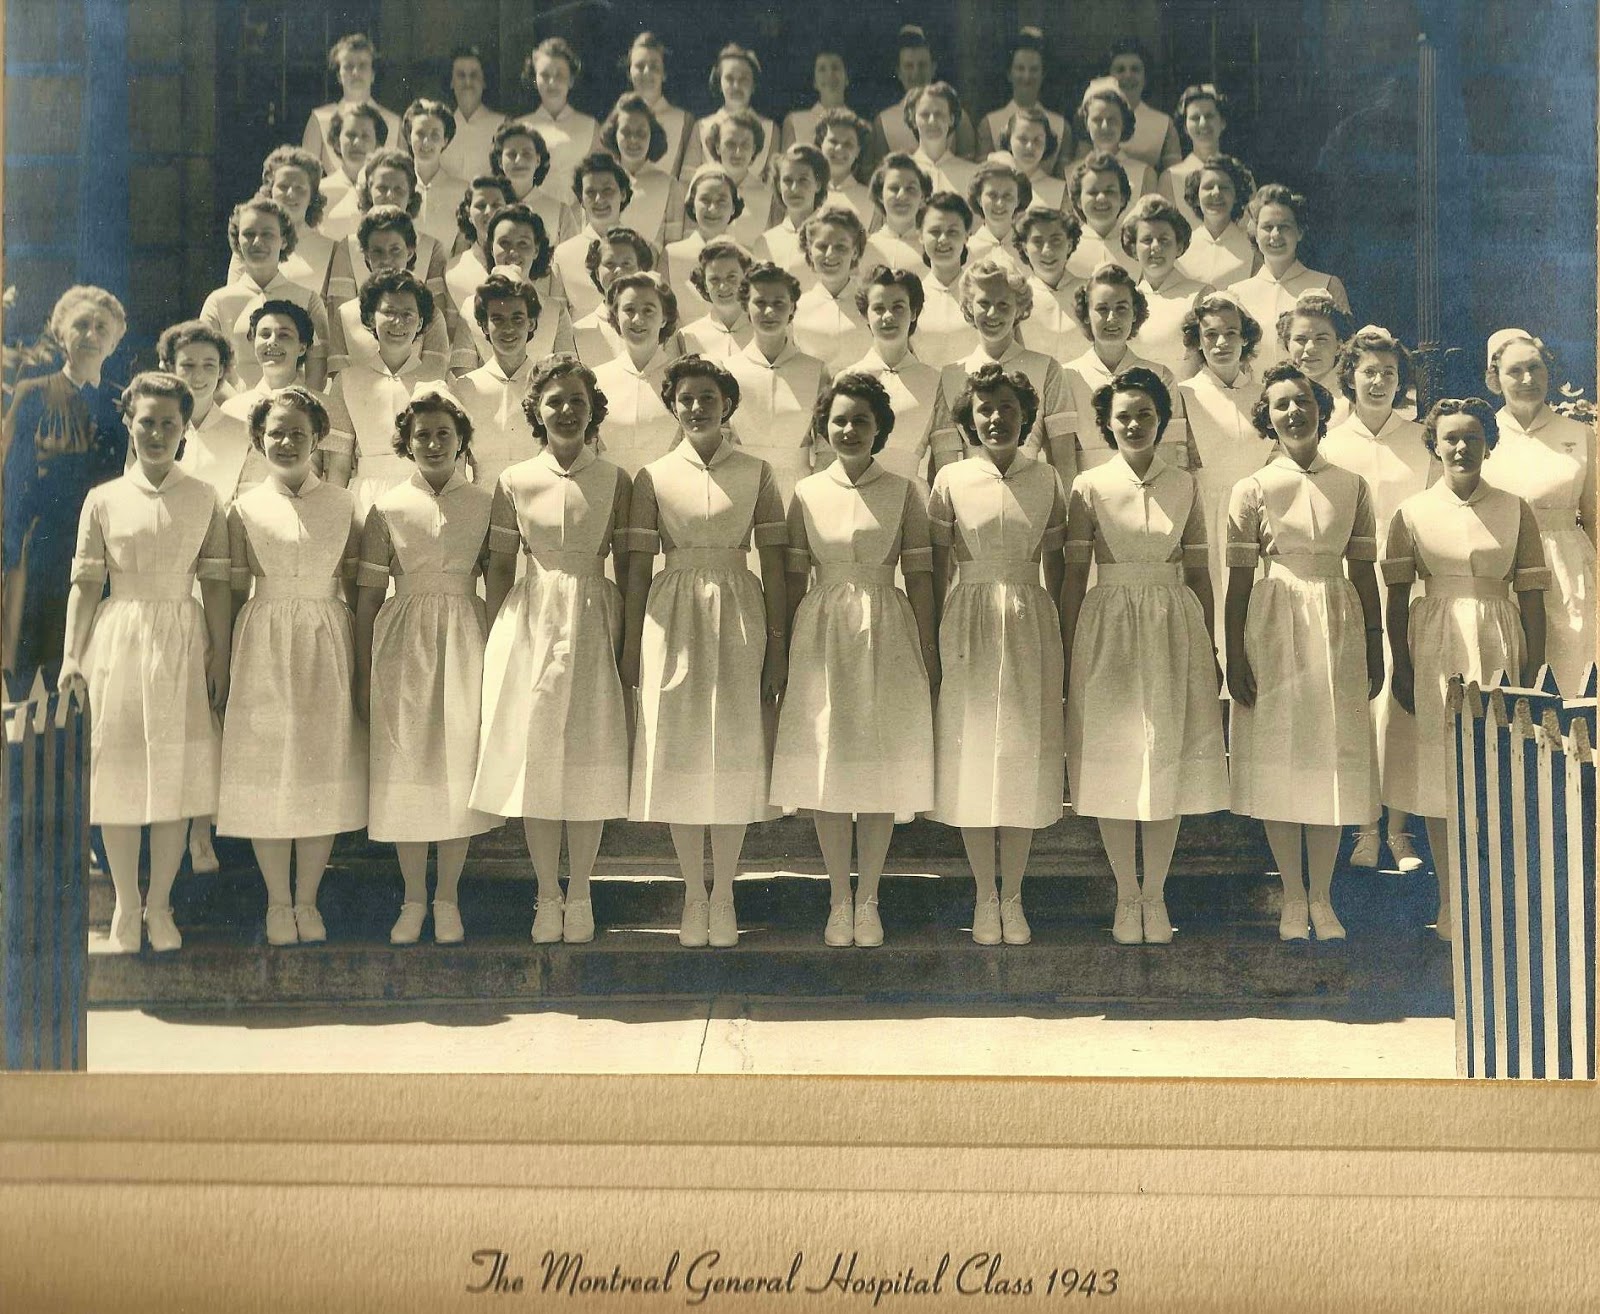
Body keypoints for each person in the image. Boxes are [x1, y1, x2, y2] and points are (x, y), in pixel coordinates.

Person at [58, 373, 231, 953]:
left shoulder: (204, 497)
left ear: (184, 429)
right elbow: (86, 585)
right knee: (121, 774)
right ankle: (126, 907)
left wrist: (220, 653)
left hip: (182, 641)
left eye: (169, 424)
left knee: (174, 779)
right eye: (146, 422)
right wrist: (72, 656)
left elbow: (217, 584)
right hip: (120, 643)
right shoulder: (104, 498)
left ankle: (160, 906)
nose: (157, 433)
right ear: (129, 424)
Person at [620, 355, 788, 948]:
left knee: (734, 748)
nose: (697, 408)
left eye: (708, 398)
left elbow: (775, 563)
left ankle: (726, 894)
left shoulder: (757, 472)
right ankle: (694, 892)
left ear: (728, 405)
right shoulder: (652, 476)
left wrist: (777, 648)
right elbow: (637, 567)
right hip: (672, 618)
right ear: (673, 405)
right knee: (682, 749)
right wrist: (632, 645)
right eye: (686, 398)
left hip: (739, 612)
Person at [1062, 367, 1227, 944]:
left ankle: (1154, 894)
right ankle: (1125, 894)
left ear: (1162, 421)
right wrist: (1068, 648)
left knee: (1165, 760)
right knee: (1115, 759)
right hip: (1108, 629)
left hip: (1172, 627)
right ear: (1107, 424)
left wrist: (1210, 644)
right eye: (1123, 416)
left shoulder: (1185, 485)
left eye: (1145, 415)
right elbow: (1073, 574)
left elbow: (1201, 573)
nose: (1134, 425)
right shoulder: (1088, 486)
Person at [771, 372, 936, 947]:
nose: (848, 430)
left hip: (887, 632)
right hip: (822, 636)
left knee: (878, 763)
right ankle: (839, 898)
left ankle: (869, 899)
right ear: (823, 427)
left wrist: (929, 652)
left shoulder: (904, 492)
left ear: (880, 428)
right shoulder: (806, 492)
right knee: (830, 762)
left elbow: (920, 577)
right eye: (839, 420)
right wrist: (785, 649)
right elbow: (793, 578)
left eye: (861, 420)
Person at [471, 356, 632, 944]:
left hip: (593, 619)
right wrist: (498, 641)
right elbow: (499, 568)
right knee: (538, 758)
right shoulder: (514, 480)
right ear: (536, 410)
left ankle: (581, 892)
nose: (566, 411)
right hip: (531, 624)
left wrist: (627, 642)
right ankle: (547, 894)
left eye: (577, 402)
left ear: (593, 412)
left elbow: (630, 565)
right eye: (555, 401)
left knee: (587, 755)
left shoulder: (616, 479)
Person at [1224, 363, 1383, 943]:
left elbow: (1363, 573)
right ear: (1266, 417)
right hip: (1274, 622)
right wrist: (1235, 656)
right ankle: (1293, 895)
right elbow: (1238, 583)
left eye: (1303, 401)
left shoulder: (1352, 485)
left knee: (1330, 756)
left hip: (1336, 623)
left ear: (1321, 409)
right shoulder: (1251, 488)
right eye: (1281, 405)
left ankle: (1323, 895)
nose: (1294, 413)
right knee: (1280, 756)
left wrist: (1375, 645)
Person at [1383, 398, 1549, 940]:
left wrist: (1535, 670)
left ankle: (1491, 897)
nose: (1461, 448)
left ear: (1488, 445)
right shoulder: (1411, 512)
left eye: (1472, 438)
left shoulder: (1516, 509)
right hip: (1433, 645)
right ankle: (1451, 899)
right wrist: (1402, 666)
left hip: (1498, 641)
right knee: (1440, 772)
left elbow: (1532, 598)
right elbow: (1395, 599)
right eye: (1450, 438)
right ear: (1434, 445)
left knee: (1495, 771)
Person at [215, 388, 366, 946]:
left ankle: (308, 899)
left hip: (327, 641)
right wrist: (226, 659)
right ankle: (278, 902)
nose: (285, 442)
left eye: (298, 433)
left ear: (318, 437)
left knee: (320, 764)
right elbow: (233, 592)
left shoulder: (345, 505)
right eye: (275, 432)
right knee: (268, 767)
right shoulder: (243, 508)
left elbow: (355, 584)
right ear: (258, 439)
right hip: (263, 643)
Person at [929, 364, 1067, 945]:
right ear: (969, 419)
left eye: (1008, 407)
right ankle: (986, 895)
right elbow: (936, 568)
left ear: (1025, 415)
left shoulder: (1048, 478)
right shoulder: (950, 479)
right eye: (984, 409)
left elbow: (1058, 566)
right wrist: (935, 638)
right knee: (975, 756)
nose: (996, 418)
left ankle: (1014, 895)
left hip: (1031, 621)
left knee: (1021, 756)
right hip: (969, 622)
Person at [355, 390, 496, 945]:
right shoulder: (386, 508)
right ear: (405, 444)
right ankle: (414, 897)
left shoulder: (485, 503)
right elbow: (369, 597)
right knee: (407, 763)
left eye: (444, 434)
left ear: (461, 441)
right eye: (422, 436)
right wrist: (363, 671)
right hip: (403, 643)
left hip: (466, 637)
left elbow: (499, 578)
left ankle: (447, 898)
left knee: (457, 765)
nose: (433, 444)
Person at [2, 285, 129, 690]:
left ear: (114, 341)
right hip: (44, 545)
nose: (91, 334)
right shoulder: (33, 394)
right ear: (61, 334)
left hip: (106, 550)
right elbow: (12, 478)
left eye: (101, 327)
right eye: (81, 325)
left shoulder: (124, 404)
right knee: (37, 666)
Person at [1482, 329, 1597, 698]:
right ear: (1494, 379)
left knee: (1572, 672)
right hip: (1503, 568)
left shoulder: (1580, 435)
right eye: (1515, 371)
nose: (1527, 379)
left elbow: (1594, 518)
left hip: (1566, 569)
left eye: (1535, 368)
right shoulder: (1480, 435)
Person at [926, 257, 1072, 476]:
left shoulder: (1047, 369)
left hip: (1034, 488)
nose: (993, 313)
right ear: (969, 306)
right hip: (971, 490)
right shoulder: (951, 376)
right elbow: (944, 467)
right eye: (984, 303)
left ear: (1019, 308)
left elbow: (1064, 463)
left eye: (1003, 304)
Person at [1175, 291, 1271, 621]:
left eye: (1231, 333)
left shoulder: (1264, 396)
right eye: (1211, 334)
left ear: (1245, 337)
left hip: (1258, 517)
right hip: (1205, 516)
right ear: (1197, 340)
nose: (1221, 343)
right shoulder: (1184, 394)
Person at [320, 269, 439, 516]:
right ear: (370, 318)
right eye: (389, 312)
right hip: (365, 499)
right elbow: (338, 467)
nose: (398, 322)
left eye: (408, 314)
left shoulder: (437, 382)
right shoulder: (347, 381)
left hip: (423, 498)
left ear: (420, 322)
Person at [1060, 263, 1178, 479]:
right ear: (1086, 315)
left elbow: (1169, 452)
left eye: (1121, 308)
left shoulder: (1160, 376)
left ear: (1135, 314)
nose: (1112, 318)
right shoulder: (1066, 376)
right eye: (1102, 309)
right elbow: (1063, 459)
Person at [201, 198, 331, 391]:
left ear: (283, 240)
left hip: (293, 404)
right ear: (237, 240)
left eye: (267, 234)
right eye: (249, 234)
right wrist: (239, 404)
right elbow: (205, 366)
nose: (257, 242)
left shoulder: (308, 300)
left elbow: (317, 370)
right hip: (235, 406)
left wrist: (296, 405)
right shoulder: (217, 302)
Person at [724, 262, 831, 499]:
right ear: (745, 305)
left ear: (792, 307)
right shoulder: (728, 370)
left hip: (800, 489)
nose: (769, 311)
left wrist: (817, 493)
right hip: (741, 489)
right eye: (760, 302)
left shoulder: (816, 371)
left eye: (779, 303)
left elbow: (826, 447)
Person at [324, 150, 452, 336]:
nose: (390, 195)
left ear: (411, 195)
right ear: (369, 191)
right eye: (382, 188)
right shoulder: (349, 246)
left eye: (399, 189)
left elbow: (434, 319)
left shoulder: (431, 247)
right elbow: (340, 318)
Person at [839, 266, 943, 485]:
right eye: (878, 308)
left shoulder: (935, 381)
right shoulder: (846, 379)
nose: (888, 316)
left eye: (898, 307)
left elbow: (944, 463)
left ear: (914, 312)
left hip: (911, 495)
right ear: (865, 314)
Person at [324, 207, 452, 378]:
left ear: (410, 252)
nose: (386, 259)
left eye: (395, 250)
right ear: (367, 256)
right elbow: (339, 378)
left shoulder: (430, 314)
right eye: (377, 251)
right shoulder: (345, 314)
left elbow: (433, 375)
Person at [1232, 184, 1350, 367]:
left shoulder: (1327, 285)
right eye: (1267, 227)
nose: (1275, 235)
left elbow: (1345, 353)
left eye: (1284, 227)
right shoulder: (1237, 294)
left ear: (1300, 232)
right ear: (1255, 233)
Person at [447, 271, 545, 489]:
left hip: (541, 497)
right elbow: (456, 466)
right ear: (483, 326)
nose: (508, 328)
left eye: (517, 319)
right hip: (482, 500)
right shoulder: (463, 388)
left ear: (531, 323)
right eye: (497, 319)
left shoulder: (547, 384)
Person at [455, 204, 574, 370]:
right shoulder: (469, 308)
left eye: (523, 243)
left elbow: (568, 373)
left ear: (536, 250)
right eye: (504, 243)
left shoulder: (555, 311)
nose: (513, 252)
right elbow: (462, 375)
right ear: (491, 248)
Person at [589, 271, 683, 475]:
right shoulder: (594, 380)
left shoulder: (682, 380)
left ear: (664, 318)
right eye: (629, 310)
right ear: (616, 316)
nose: (638, 319)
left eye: (648, 310)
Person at [1121, 194, 1210, 377]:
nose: (1155, 247)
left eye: (1164, 240)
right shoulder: (1125, 299)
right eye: (1147, 240)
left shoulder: (1201, 295)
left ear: (1179, 247)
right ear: (1134, 249)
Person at [870, 24, 979, 164]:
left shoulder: (958, 116)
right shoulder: (883, 122)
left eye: (922, 65)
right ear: (899, 72)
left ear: (933, 69)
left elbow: (967, 167)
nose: (916, 73)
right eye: (909, 66)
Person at [303, 34, 401, 176]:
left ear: (373, 74)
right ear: (338, 75)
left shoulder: (393, 122)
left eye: (363, 66)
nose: (355, 72)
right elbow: (305, 175)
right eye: (348, 66)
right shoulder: (320, 119)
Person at [552, 153, 635, 323]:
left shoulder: (641, 248)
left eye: (607, 190)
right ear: (581, 200)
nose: (599, 199)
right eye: (590, 192)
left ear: (623, 194)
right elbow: (559, 317)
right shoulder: (563, 253)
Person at [248, 146, 339, 299]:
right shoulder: (250, 241)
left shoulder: (333, 249)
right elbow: (233, 302)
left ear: (312, 196)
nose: (291, 194)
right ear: (270, 191)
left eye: (299, 188)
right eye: (283, 186)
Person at [517, 37, 600, 204]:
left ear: (571, 80)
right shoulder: (520, 127)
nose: (552, 82)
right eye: (545, 75)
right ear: (535, 79)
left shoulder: (590, 127)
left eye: (560, 75)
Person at [218, 301, 319, 438]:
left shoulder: (320, 409)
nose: (272, 341)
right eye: (265, 334)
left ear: (302, 347)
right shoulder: (232, 410)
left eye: (284, 335)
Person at [680, 44, 777, 184]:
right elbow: (686, 180)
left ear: (754, 85)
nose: (736, 86)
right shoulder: (702, 126)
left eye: (744, 79)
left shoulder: (770, 128)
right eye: (729, 78)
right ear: (719, 82)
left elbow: (774, 184)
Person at [602, 93, 689, 251]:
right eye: (626, 132)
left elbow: (673, 248)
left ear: (652, 135)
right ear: (614, 133)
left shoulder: (669, 186)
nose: (633, 140)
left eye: (641, 133)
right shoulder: (600, 182)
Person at [791, 207, 873, 372]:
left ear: (855, 251)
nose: (830, 254)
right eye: (822, 246)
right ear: (810, 251)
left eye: (840, 247)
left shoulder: (873, 304)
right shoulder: (796, 308)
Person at [976, 27, 1068, 174]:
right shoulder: (989, 124)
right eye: (1020, 69)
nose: (1026, 76)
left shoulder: (1061, 126)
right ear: (1009, 73)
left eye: (1034, 70)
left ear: (1043, 74)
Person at [664, 163, 747, 321]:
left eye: (722, 201)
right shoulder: (671, 255)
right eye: (705, 200)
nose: (713, 208)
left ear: (733, 207)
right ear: (692, 205)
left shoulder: (746, 256)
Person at [570, 227, 662, 366]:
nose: (618, 270)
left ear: (641, 269)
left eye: (626, 263)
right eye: (610, 264)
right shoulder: (579, 331)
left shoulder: (659, 323)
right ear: (596, 273)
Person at [1013, 208, 1089, 364]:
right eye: (1037, 242)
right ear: (1025, 248)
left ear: (1069, 245)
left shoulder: (1091, 291)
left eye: (1056, 240)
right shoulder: (1016, 297)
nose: (1047, 251)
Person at [913, 190, 979, 368]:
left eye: (953, 232)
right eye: (935, 231)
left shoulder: (982, 293)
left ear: (967, 235)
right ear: (920, 235)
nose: (943, 239)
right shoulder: (911, 296)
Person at [1173, 155, 1257, 289]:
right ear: (1196, 196)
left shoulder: (1253, 249)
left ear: (1236, 195)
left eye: (1224, 187)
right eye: (1208, 187)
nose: (1216, 193)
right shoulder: (1180, 247)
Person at [487, 120, 577, 244]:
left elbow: (572, 253)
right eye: (511, 154)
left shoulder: (560, 210)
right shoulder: (485, 208)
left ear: (538, 160)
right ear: (500, 162)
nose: (518, 160)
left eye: (526, 153)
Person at [1159, 84, 1234, 233]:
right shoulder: (1170, 178)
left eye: (1209, 116)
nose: (1203, 123)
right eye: (1195, 118)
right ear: (1185, 127)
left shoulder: (1240, 174)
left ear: (1222, 122)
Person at [444, 174, 516, 326]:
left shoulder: (524, 259)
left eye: (496, 205)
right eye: (481, 205)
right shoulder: (453, 270)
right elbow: (452, 328)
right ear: (468, 213)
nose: (489, 211)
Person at [756, 143, 831, 285]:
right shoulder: (764, 242)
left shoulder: (833, 235)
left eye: (803, 180)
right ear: (779, 186)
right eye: (787, 180)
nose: (795, 188)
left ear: (818, 184)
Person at [622, 32, 694, 178]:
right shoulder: (617, 119)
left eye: (654, 67)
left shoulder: (684, 121)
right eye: (639, 66)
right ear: (629, 73)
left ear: (664, 73)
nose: (647, 72)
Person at [1105, 36, 1182, 172]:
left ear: (1146, 77)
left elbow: (1174, 176)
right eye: (1120, 70)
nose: (1128, 75)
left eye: (1135, 69)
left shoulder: (1164, 124)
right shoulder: (1095, 119)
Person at [704, 110, 776, 252]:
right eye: (730, 144)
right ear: (718, 147)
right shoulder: (701, 190)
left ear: (754, 149)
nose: (738, 152)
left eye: (745, 145)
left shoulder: (768, 195)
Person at [1276, 290, 1353, 423]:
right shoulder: (1277, 396)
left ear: (1339, 346)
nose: (1310, 348)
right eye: (1300, 339)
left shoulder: (1352, 398)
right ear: (1287, 344)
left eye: (1321, 339)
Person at [400, 97, 467, 248]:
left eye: (435, 135)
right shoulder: (396, 188)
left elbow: (462, 247)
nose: (426, 142)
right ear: (409, 137)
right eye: (420, 133)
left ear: (445, 140)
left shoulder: (462, 192)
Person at [1075, 79, 1155, 203]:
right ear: (1086, 123)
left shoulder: (1144, 174)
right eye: (1097, 120)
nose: (1105, 126)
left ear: (1123, 122)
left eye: (1112, 120)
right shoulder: (1071, 173)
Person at [679, 237, 754, 360]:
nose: (723, 286)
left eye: (731, 277)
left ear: (746, 279)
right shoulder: (687, 336)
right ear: (705, 284)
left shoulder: (765, 332)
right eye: (714, 279)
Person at [1065, 152, 1138, 279]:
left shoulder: (1138, 246)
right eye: (1093, 192)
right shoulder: (1065, 249)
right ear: (1078, 201)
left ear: (1122, 198)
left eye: (1110, 191)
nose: (1101, 198)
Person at [318, 103, 388, 234]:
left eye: (365, 136)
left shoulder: (388, 192)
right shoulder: (319, 192)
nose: (357, 142)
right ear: (337, 142)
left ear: (378, 144)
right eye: (350, 135)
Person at [440, 45, 507, 181]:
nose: (468, 82)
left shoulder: (502, 126)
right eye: (461, 75)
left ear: (484, 82)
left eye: (474, 75)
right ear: (451, 82)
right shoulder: (440, 126)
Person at [862, 153, 932, 277]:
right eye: (894, 188)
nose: (902, 195)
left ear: (922, 197)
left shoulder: (932, 249)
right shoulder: (865, 248)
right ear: (880, 195)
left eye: (910, 189)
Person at [907, 82, 977, 198]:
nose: (932, 121)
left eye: (939, 114)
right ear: (913, 120)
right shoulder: (902, 172)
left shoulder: (972, 174)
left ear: (951, 119)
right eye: (925, 114)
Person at [964, 158, 1031, 274]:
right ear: (979, 199)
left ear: (1018, 200)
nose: (1000, 203)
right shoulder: (966, 251)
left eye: (1007, 196)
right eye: (992, 195)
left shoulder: (1029, 251)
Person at [782, 50, 857, 151]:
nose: (830, 74)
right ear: (815, 82)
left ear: (847, 78)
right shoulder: (795, 122)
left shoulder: (860, 125)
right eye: (822, 69)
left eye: (835, 68)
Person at [998, 105, 1069, 213]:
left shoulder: (1059, 192)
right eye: (1023, 139)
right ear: (1008, 141)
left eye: (1037, 140)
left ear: (1046, 144)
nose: (1030, 147)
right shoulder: (992, 185)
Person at [813, 108, 875, 223]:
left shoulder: (871, 200)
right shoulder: (807, 193)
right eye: (833, 141)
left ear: (858, 151)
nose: (839, 148)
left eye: (848, 144)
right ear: (821, 143)